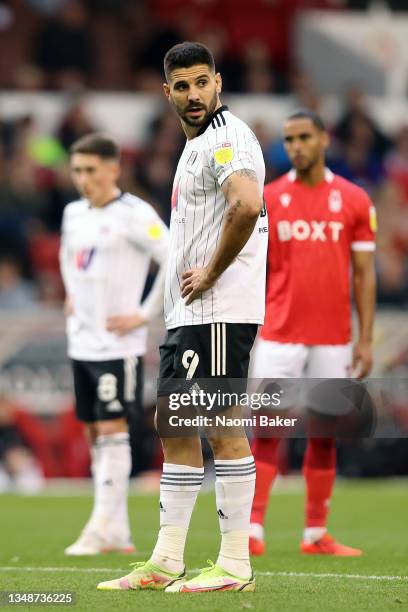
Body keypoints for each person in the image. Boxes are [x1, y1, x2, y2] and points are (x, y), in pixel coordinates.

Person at [97, 42, 268, 593]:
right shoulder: (195, 146)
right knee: (173, 426)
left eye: (202, 82)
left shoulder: (225, 138)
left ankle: (235, 565)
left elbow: (246, 203)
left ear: (218, 82)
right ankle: (168, 559)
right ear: (166, 91)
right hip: (191, 314)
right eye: (182, 85)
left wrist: (212, 273)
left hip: (217, 312)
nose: (193, 94)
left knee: (220, 425)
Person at [248, 109, 376, 556]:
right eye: (288, 139)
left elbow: (364, 274)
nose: (295, 146)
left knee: (323, 433)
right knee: (268, 429)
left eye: (304, 137)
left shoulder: (355, 200)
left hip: (333, 336)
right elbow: (249, 270)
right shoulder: (267, 199)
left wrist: (365, 337)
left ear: (324, 139)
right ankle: (252, 529)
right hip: (280, 332)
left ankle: (315, 534)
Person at [59, 133, 169, 555]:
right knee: (92, 430)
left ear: (113, 169)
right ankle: (116, 530)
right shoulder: (73, 213)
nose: (83, 179)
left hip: (116, 344)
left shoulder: (134, 214)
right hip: (81, 341)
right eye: (77, 170)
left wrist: (144, 313)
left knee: (111, 427)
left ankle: (101, 526)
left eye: (90, 170)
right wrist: (72, 290)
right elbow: (69, 257)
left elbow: (172, 256)